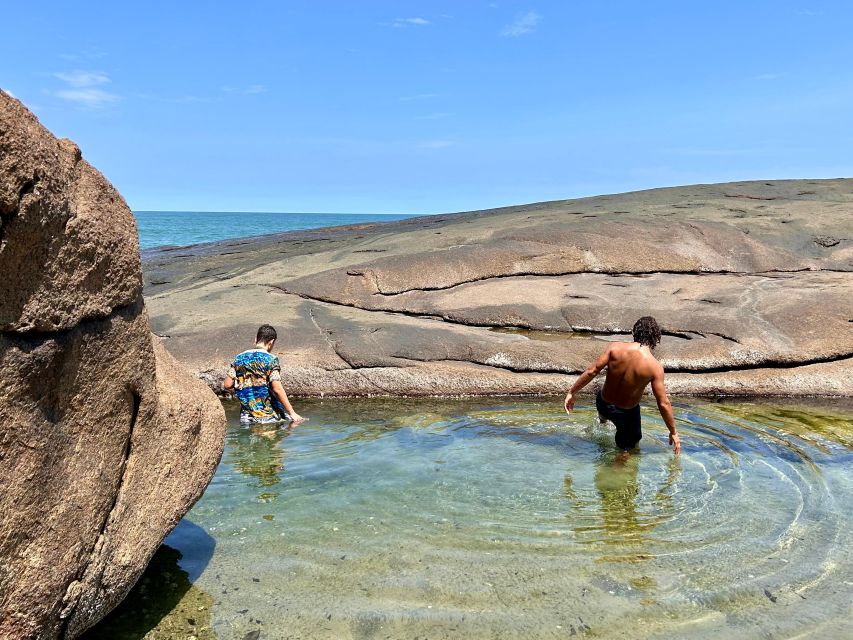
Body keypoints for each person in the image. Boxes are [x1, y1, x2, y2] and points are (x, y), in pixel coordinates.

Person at [563, 316, 680, 454]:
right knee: (630, 451)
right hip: (626, 414)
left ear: (634, 332)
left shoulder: (615, 348)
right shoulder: (654, 367)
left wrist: (572, 392)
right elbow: (663, 403)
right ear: (656, 338)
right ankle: (619, 464)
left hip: (603, 403)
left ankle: (602, 421)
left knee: (604, 417)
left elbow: (591, 371)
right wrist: (673, 431)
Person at [223, 324, 306, 425]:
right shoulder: (270, 360)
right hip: (268, 416)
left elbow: (227, 384)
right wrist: (292, 413)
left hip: (246, 416)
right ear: (271, 342)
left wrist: (244, 383)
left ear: (255, 339)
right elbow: (277, 389)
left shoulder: (239, 358)